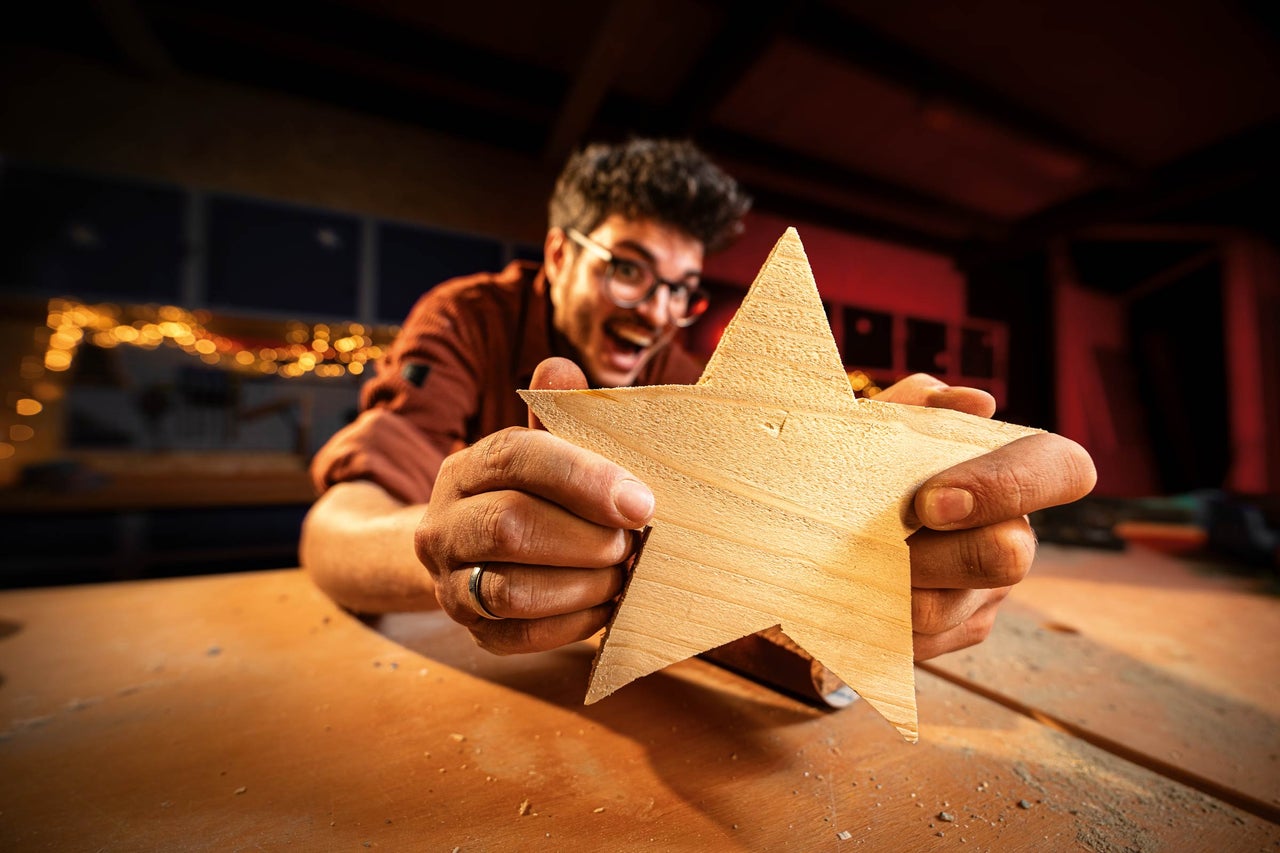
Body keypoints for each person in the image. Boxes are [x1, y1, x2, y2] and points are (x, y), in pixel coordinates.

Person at [300, 137, 1096, 670]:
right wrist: (457, 549)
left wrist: (871, 538)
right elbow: (334, 529)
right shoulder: (468, 318)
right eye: (628, 268)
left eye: (681, 287)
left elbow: (740, 566)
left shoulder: (684, 373)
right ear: (555, 253)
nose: (654, 309)